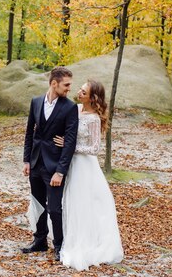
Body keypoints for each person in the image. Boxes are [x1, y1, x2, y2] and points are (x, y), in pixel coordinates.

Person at [53, 80, 124, 270]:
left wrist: (69, 146)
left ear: (93, 98)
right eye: (80, 89)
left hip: (84, 165)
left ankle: (88, 242)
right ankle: (69, 237)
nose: (79, 93)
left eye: (83, 92)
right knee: (70, 201)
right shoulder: (74, 109)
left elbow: (94, 148)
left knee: (84, 203)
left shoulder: (93, 118)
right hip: (70, 163)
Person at [22, 66, 79, 261]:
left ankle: (59, 246)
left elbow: (70, 142)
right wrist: (26, 160)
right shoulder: (36, 102)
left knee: (54, 208)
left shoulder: (70, 107)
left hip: (54, 166)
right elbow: (30, 132)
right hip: (36, 162)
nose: (69, 88)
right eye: (66, 84)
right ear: (54, 83)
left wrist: (60, 171)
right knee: (38, 204)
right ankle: (39, 241)